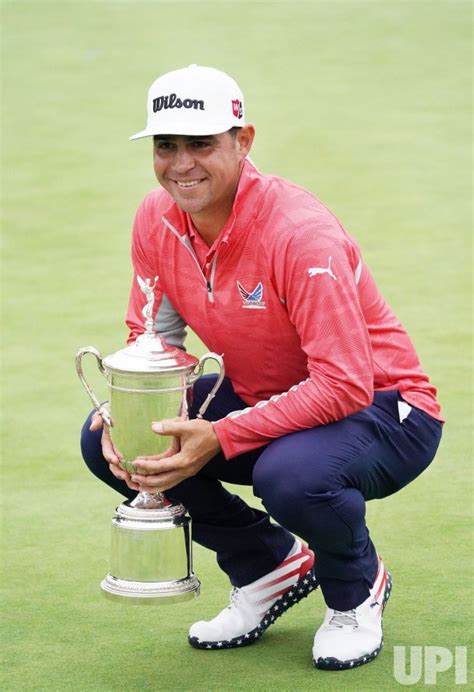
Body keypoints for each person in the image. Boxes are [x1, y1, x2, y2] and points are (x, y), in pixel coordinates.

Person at [81, 65, 443, 670]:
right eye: (165, 145)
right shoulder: (157, 217)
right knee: (116, 442)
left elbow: (345, 383)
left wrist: (220, 435)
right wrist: (133, 413)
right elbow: (155, 339)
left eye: (202, 144)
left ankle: (356, 591)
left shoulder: (299, 235)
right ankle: (267, 566)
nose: (181, 164)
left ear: (242, 142)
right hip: (269, 396)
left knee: (290, 475)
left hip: (388, 411)